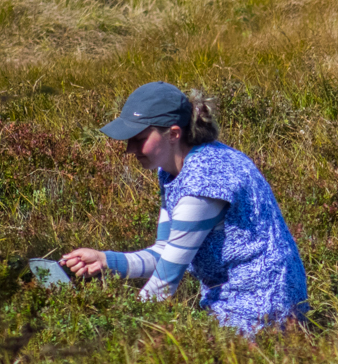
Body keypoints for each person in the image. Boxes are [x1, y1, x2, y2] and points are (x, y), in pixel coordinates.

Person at [60, 82, 309, 336]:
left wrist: (115, 333)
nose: (129, 150)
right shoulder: (173, 171)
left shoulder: (203, 182)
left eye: (139, 139)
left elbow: (164, 283)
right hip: (229, 301)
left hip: (261, 309)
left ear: (174, 134)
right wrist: (105, 260)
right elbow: (165, 251)